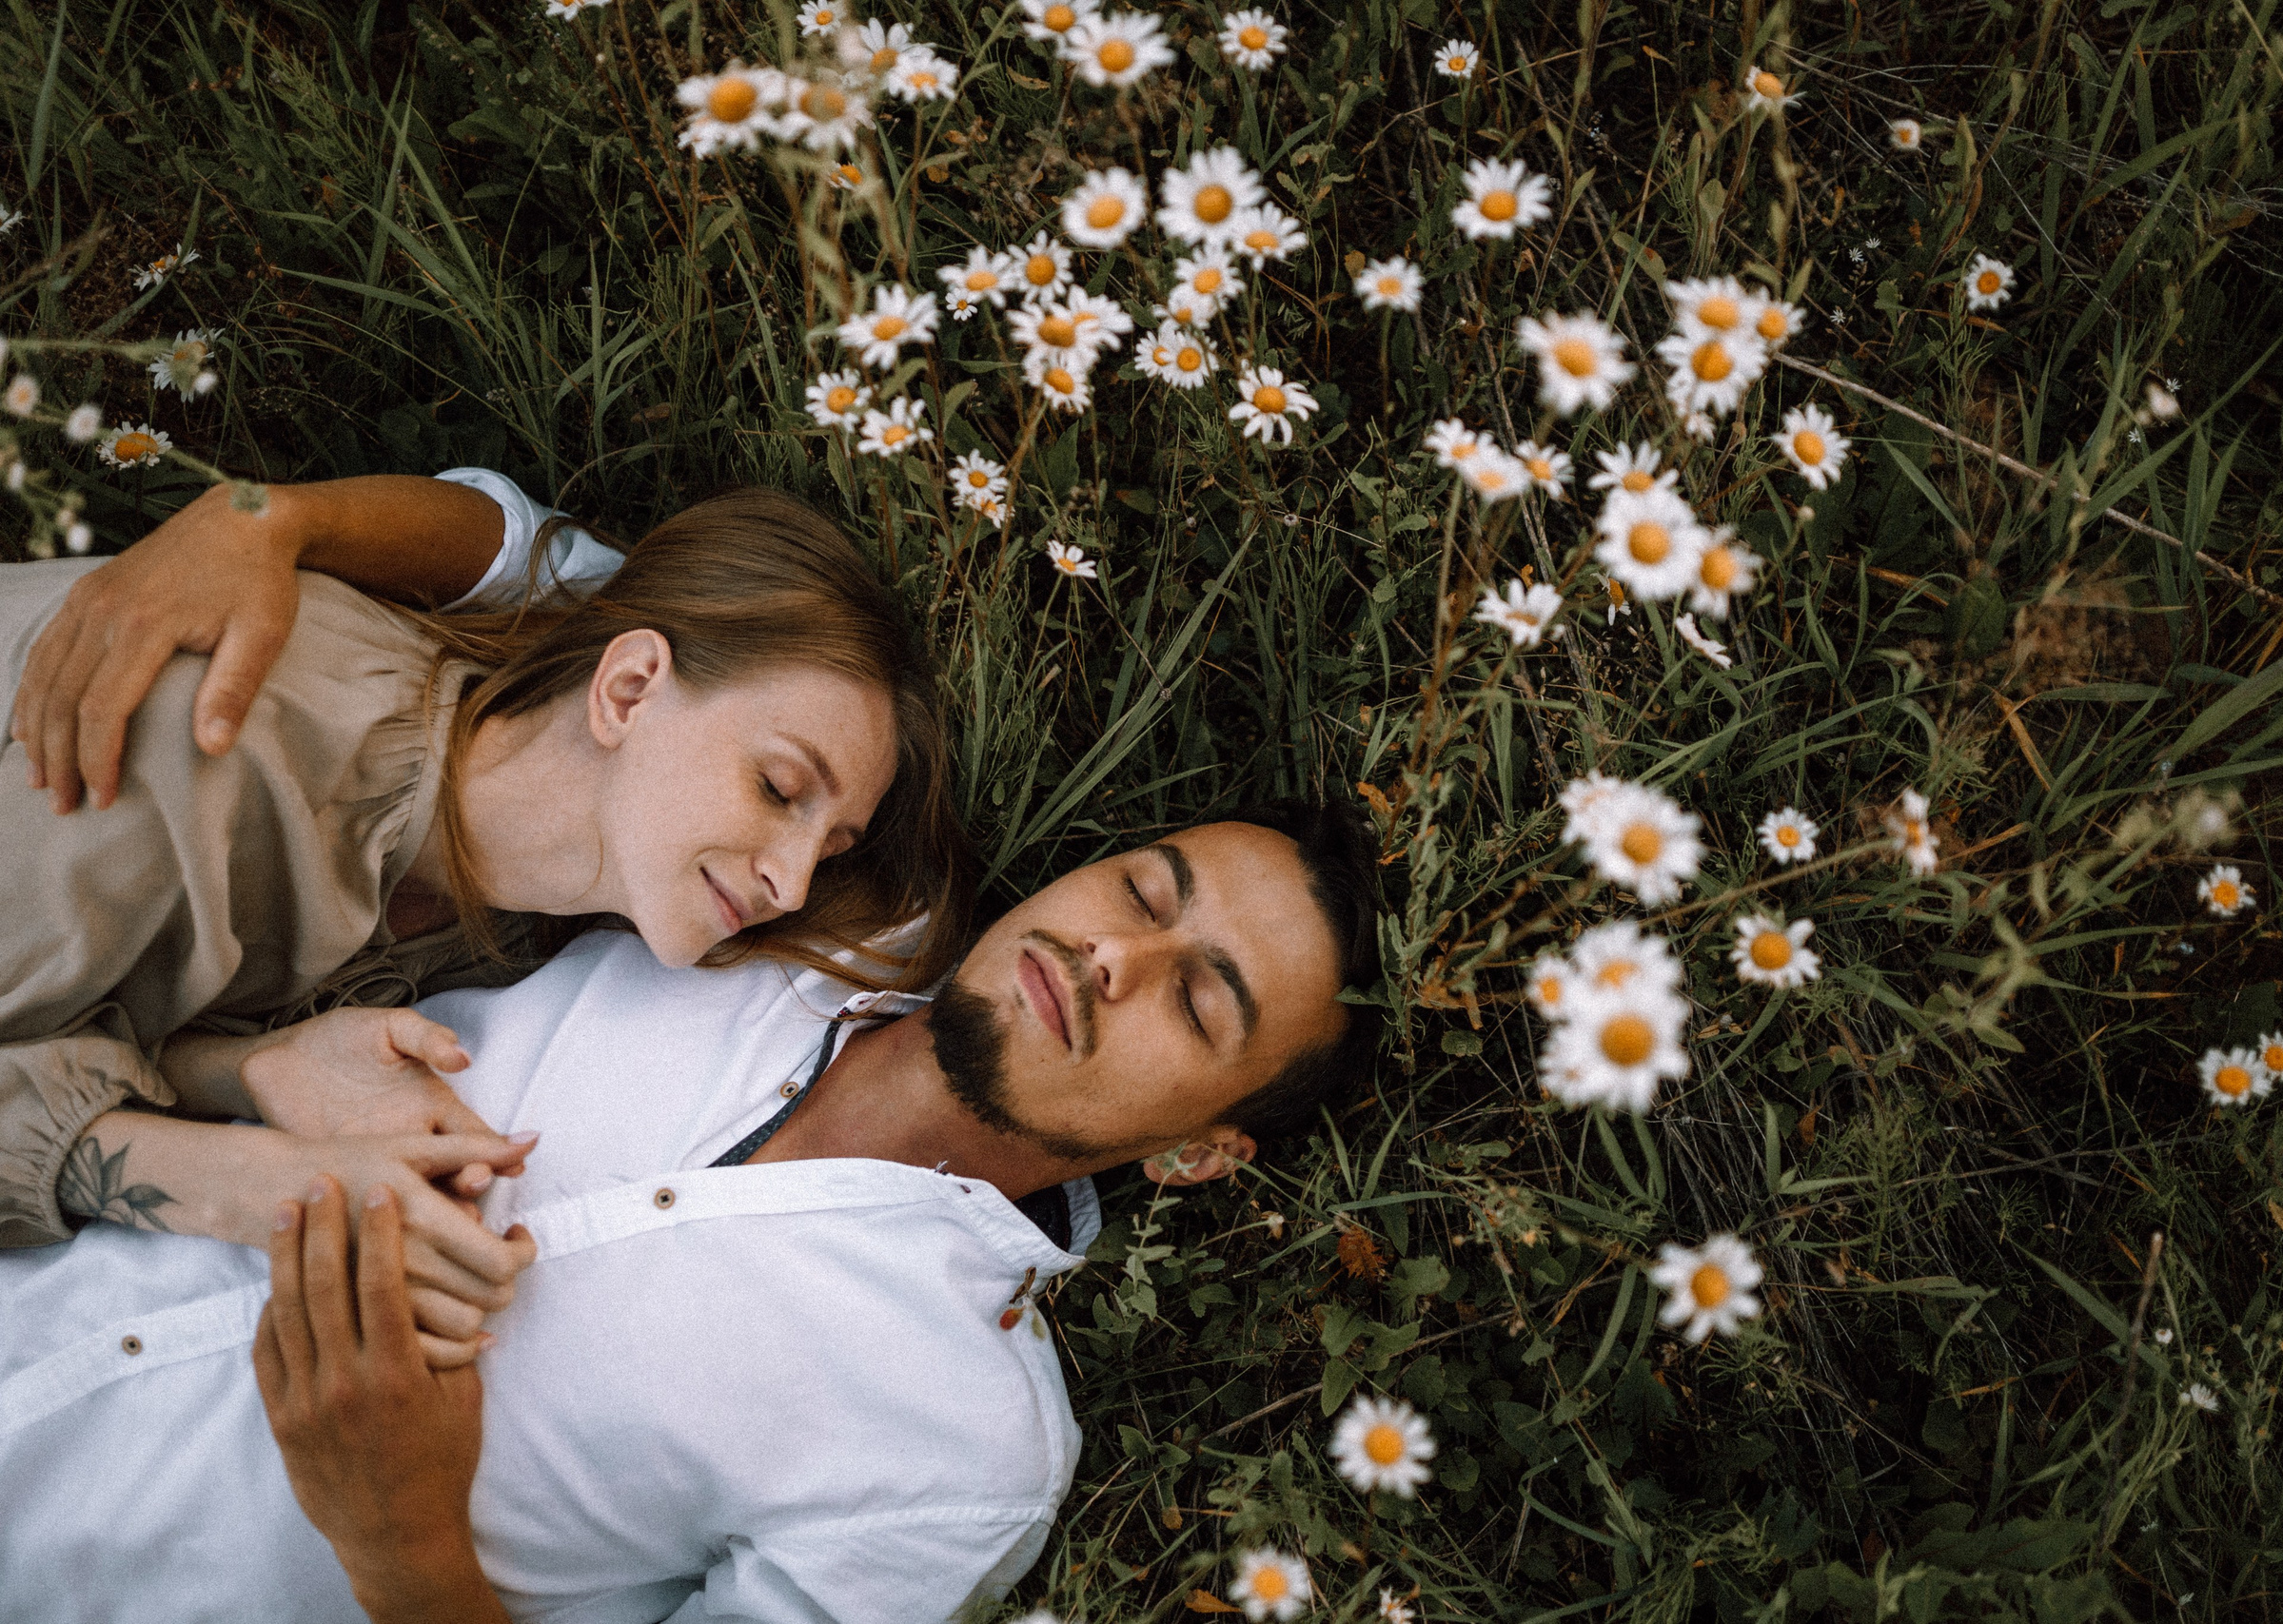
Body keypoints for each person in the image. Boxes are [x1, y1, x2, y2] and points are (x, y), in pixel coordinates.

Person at [0, 804, 1385, 1624]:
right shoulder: (760, 905)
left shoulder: (965, 1447)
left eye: (1198, 999)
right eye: (1143, 890)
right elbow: (578, 611)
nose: (1110, 955)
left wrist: (403, 1532)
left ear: (1201, 1156)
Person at [0, 472, 969, 1366]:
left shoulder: (510, 929)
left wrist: (246, 1069)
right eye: (778, 787)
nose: (792, 886)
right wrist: (240, 1182)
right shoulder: (210, 745)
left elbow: (537, 559)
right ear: (626, 690)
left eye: (831, 849)